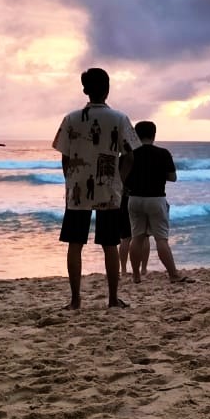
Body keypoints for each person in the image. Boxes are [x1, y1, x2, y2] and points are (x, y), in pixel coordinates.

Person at [52, 68, 140, 310]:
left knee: (75, 244)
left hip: (78, 188)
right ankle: (112, 299)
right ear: (108, 88)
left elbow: (65, 157)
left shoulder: (71, 119)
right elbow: (130, 156)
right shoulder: (119, 118)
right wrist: (119, 180)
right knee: (109, 244)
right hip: (109, 189)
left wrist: (70, 182)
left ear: (85, 90)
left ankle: (75, 300)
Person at [125, 121, 192, 284]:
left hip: (134, 199)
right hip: (156, 198)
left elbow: (123, 176)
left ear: (136, 135)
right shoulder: (163, 153)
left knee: (137, 237)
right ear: (154, 135)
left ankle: (135, 276)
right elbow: (172, 177)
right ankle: (173, 274)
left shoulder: (129, 154)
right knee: (161, 239)